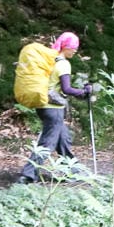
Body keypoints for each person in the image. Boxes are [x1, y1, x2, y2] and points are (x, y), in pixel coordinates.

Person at [16, 31, 93, 183]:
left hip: (43, 106)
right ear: (65, 47)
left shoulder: (51, 61)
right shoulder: (63, 64)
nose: (75, 50)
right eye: (73, 47)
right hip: (53, 108)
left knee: (63, 138)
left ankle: (72, 170)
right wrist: (84, 92)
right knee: (48, 142)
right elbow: (66, 89)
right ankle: (28, 175)